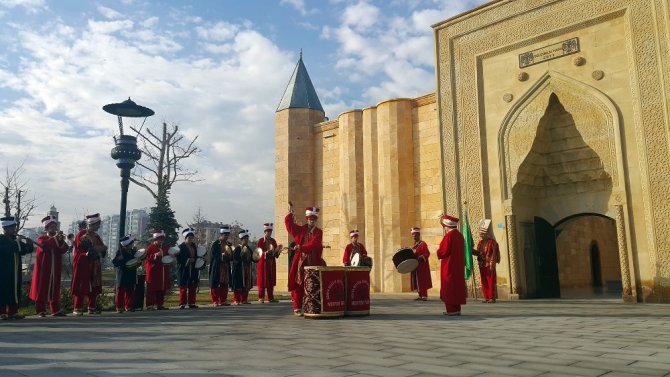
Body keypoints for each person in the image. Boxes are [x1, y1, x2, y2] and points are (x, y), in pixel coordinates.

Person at [285, 205, 324, 316]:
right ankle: (297, 307)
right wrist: (290, 214)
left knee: (313, 285)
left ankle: (312, 306)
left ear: (316, 220)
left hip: (314, 262)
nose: (312, 221)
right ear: (307, 219)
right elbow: (290, 226)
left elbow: (314, 244)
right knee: (299, 283)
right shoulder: (301, 230)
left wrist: (301, 247)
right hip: (301, 263)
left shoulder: (318, 232)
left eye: (314, 219)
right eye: (310, 219)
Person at [29, 215, 68, 317]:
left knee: (55, 289)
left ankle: (55, 309)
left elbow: (64, 250)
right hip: (44, 270)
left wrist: (61, 241)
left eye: (55, 227)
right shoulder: (41, 238)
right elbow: (44, 247)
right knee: (41, 288)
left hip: (55, 269)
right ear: (46, 228)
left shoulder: (57, 239)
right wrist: (55, 239)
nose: (54, 229)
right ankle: (40, 310)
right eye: (52, 227)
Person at [71, 213, 107, 316]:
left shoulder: (96, 236)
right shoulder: (82, 234)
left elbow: (101, 247)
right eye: (98, 224)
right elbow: (82, 247)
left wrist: (103, 248)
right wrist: (98, 248)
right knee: (81, 285)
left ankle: (91, 307)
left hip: (94, 263)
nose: (99, 226)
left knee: (94, 285)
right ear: (93, 224)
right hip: (83, 263)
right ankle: (77, 308)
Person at [0, 216, 34, 320]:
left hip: (15, 271)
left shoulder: (15, 239)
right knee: (3, 290)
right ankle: (2, 312)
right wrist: (17, 242)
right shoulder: (1, 239)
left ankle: (13, 312)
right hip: (4, 271)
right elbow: (7, 250)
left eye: (14, 228)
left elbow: (25, 250)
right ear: (5, 229)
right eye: (11, 228)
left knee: (15, 290)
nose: (14, 230)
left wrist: (29, 244)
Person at [436, 214, 466, 316]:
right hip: (458, 265)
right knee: (456, 286)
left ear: (446, 226)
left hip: (449, 266)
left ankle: (451, 310)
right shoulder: (460, 236)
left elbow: (443, 252)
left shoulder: (448, 236)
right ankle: (457, 309)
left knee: (449, 286)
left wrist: (438, 251)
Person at [474, 219, 500, 303]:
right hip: (482, 264)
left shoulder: (492, 242)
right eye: (480, 234)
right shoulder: (480, 243)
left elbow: (495, 253)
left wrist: (492, 263)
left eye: (482, 234)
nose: (481, 235)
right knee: (484, 281)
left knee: (491, 281)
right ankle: (487, 297)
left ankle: (492, 297)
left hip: (489, 264)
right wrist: (470, 250)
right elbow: (478, 253)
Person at [145, 230, 171, 310]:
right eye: (159, 239)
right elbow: (146, 258)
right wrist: (155, 256)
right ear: (155, 239)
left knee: (161, 288)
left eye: (162, 240)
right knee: (152, 288)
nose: (161, 241)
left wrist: (171, 257)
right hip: (153, 271)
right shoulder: (150, 248)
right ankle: (150, 305)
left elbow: (168, 256)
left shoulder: (165, 247)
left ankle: (160, 304)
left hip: (163, 270)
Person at [112, 235, 138, 313]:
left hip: (131, 272)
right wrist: (119, 260)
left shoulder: (133, 252)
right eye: (131, 244)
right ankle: (119, 307)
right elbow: (115, 262)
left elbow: (138, 260)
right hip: (123, 273)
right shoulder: (120, 252)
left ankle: (129, 306)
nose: (132, 245)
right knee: (121, 291)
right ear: (126, 244)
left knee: (130, 290)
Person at [257, 223, 281, 303]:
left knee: (271, 280)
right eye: (268, 231)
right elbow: (258, 253)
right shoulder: (260, 241)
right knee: (262, 280)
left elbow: (276, 254)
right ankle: (261, 297)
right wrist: (266, 252)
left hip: (271, 263)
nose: (269, 233)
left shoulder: (273, 241)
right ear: (265, 232)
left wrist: (278, 251)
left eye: (270, 231)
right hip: (263, 263)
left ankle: (270, 297)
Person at [209, 225, 232, 306]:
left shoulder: (229, 244)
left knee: (225, 283)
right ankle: (215, 300)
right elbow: (214, 255)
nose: (226, 237)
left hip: (225, 266)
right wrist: (222, 255)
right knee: (215, 284)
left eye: (227, 235)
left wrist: (229, 256)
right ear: (221, 235)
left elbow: (231, 255)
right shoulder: (215, 244)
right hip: (217, 266)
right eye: (225, 235)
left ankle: (223, 300)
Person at [177, 228, 200, 309]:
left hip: (193, 268)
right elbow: (179, 259)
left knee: (192, 286)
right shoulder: (181, 247)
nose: (190, 239)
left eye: (191, 238)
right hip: (184, 269)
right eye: (189, 238)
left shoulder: (194, 246)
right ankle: (182, 303)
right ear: (185, 238)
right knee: (183, 286)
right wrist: (187, 260)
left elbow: (196, 255)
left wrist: (196, 260)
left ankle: (191, 302)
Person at [230, 229, 252, 305]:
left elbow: (252, 257)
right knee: (238, 285)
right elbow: (235, 259)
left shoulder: (248, 248)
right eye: (245, 239)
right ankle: (236, 299)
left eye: (247, 239)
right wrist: (242, 257)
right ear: (241, 240)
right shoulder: (237, 249)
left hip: (246, 269)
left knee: (246, 285)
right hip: (239, 270)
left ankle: (244, 299)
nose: (247, 240)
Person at [410, 227, 433, 301]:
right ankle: (420, 295)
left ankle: (424, 296)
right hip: (416, 265)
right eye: (413, 235)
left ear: (418, 235)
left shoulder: (423, 244)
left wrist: (421, 257)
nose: (414, 236)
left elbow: (427, 253)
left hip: (422, 265)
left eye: (415, 235)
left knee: (422, 280)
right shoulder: (414, 245)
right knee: (417, 280)